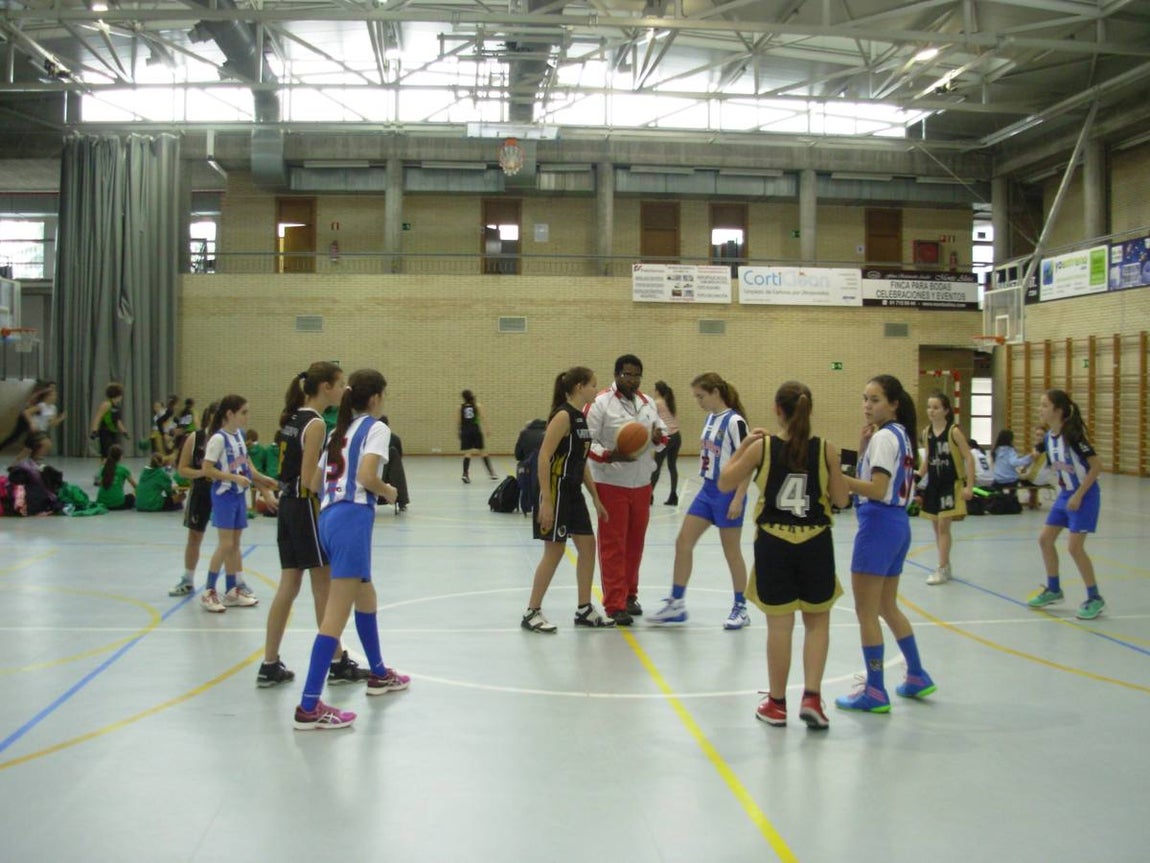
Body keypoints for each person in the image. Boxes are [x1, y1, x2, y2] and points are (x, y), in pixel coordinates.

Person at [719, 381, 850, 729]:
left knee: (780, 626)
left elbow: (724, 482)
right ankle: (812, 697)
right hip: (816, 543)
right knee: (817, 622)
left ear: (778, 409)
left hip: (774, 543)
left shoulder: (762, 448)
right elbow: (841, 500)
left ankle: (777, 704)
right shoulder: (827, 450)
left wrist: (743, 446)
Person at [293, 369, 410, 731]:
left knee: (365, 594)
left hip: (329, 518)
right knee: (335, 615)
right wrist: (389, 491)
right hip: (351, 519)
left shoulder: (336, 431)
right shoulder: (375, 428)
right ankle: (309, 706)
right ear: (374, 398)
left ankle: (378, 674)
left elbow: (311, 482)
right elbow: (366, 476)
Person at [260, 363, 371, 688]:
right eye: (339, 385)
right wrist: (339, 488)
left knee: (289, 586)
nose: (343, 391)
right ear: (326, 387)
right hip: (305, 505)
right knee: (324, 587)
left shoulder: (292, 418)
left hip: (287, 508)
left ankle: (269, 662)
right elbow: (310, 478)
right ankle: (336, 662)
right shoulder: (317, 423)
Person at [836, 374, 935, 714]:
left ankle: (875, 690)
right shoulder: (900, 436)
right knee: (887, 607)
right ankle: (917, 674)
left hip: (878, 523)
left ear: (893, 403)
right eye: (865, 398)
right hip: (897, 525)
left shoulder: (885, 438)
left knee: (866, 612)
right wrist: (862, 450)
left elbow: (876, 489)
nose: (867, 405)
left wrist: (837, 478)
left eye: (875, 399)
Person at [649, 372, 752, 629]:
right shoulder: (709, 419)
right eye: (696, 397)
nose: (698, 401)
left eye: (701, 396)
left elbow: (747, 463)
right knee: (683, 542)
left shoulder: (735, 421)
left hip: (728, 492)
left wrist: (738, 498)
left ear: (716, 392)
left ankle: (741, 607)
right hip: (707, 490)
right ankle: (677, 603)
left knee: (732, 552)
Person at [521, 367, 614, 633]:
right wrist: (546, 501)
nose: (597, 390)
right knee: (555, 550)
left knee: (587, 546)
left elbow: (581, 462)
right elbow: (543, 457)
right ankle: (532, 611)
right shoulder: (563, 416)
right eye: (593, 385)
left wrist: (595, 497)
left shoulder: (581, 419)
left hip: (574, 492)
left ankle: (584, 608)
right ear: (579, 387)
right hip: (557, 489)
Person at [585, 354, 667, 625]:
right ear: (617, 374)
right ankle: (614, 603)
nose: (632, 380)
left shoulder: (647, 404)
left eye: (636, 375)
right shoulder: (601, 403)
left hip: (642, 483)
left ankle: (630, 595)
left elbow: (662, 436)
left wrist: (656, 438)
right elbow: (587, 441)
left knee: (635, 544)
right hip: (610, 482)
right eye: (627, 374)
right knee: (613, 545)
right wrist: (610, 455)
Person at [1026, 389, 1105, 620]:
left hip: (1085, 495)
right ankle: (1053, 589)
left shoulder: (1074, 436)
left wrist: (1079, 494)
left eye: (1044, 405)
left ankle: (1095, 597)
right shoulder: (1049, 437)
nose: (1040, 409)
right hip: (1065, 495)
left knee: (1074, 548)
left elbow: (1096, 466)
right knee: (1044, 539)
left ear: (1058, 411)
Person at [199, 395, 278, 613]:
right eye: (243, 412)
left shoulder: (240, 437)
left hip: (238, 495)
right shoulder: (218, 439)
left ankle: (232, 589)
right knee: (225, 545)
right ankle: (208, 591)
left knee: (235, 544)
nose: (247, 417)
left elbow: (248, 469)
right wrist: (233, 479)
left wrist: (263, 480)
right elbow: (207, 470)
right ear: (229, 414)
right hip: (224, 495)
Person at [918, 391, 975, 585]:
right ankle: (946, 564)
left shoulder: (954, 432)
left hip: (951, 484)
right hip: (934, 484)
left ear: (946, 410)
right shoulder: (926, 433)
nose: (931, 411)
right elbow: (928, 460)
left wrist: (969, 486)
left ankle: (941, 568)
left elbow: (969, 457)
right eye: (929, 407)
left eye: (935, 407)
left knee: (943, 526)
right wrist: (917, 477)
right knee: (937, 528)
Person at [169, 402, 217, 596]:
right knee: (195, 535)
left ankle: (234, 582)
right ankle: (188, 579)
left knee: (229, 540)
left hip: (223, 490)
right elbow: (182, 469)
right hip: (201, 489)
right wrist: (202, 472)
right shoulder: (195, 438)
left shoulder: (228, 438)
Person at [650, 380, 682, 506]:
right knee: (672, 466)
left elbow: (652, 420)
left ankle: (649, 495)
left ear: (657, 391)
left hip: (666, 438)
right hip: (676, 437)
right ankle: (673, 495)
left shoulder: (656, 403)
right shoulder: (670, 403)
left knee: (656, 467)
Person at [459, 389, 498, 482]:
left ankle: (465, 474)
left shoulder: (460, 407)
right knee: (483, 452)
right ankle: (491, 473)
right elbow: (483, 417)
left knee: (467, 453)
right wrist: (488, 429)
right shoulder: (477, 406)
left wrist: (459, 432)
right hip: (475, 430)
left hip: (465, 431)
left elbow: (458, 421)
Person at [89, 382, 128, 458]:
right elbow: (98, 417)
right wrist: (94, 431)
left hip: (114, 432)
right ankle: (105, 468)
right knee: (106, 454)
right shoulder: (106, 404)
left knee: (116, 454)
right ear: (117, 394)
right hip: (105, 432)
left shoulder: (117, 406)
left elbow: (118, 421)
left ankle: (113, 469)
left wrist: (124, 432)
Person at [94, 444, 137, 511]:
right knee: (132, 496)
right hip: (117, 504)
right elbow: (135, 486)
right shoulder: (123, 469)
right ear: (120, 456)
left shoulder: (104, 468)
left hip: (101, 502)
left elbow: (97, 483)